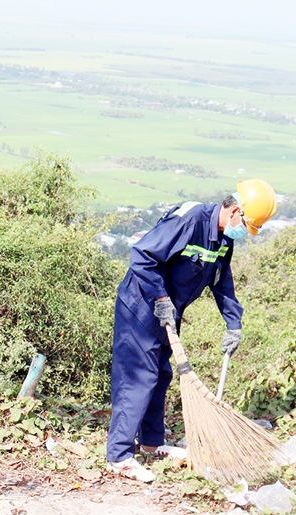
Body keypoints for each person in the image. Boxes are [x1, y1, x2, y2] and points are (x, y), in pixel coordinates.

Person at [106, 179, 277, 482]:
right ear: (235, 210)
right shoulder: (191, 219)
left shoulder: (223, 239)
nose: (244, 232)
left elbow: (222, 283)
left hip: (168, 312)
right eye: (246, 224)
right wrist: (160, 298)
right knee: (138, 375)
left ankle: (151, 442)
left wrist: (233, 323)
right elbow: (143, 256)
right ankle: (118, 456)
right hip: (141, 305)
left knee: (161, 374)